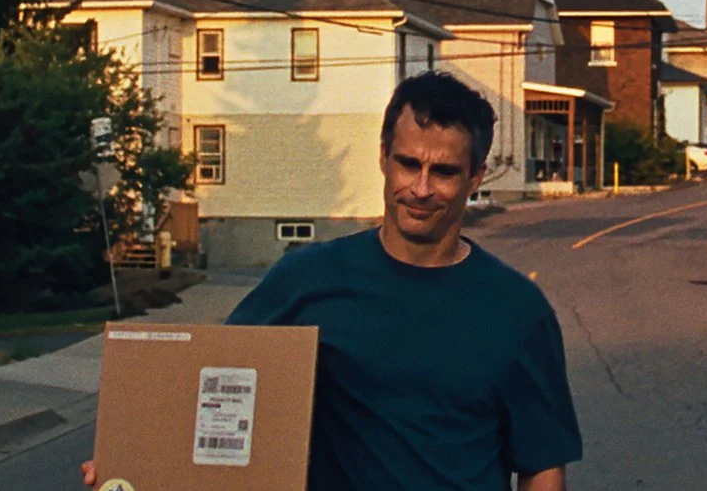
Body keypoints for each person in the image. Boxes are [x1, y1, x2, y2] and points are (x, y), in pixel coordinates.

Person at [85, 71, 580, 490]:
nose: (421, 188)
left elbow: (541, 466)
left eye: (445, 172)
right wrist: (129, 463)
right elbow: (210, 383)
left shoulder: (517, 310)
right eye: (408, 163)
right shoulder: (307, 280)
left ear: (476, 177)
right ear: (383, 156)